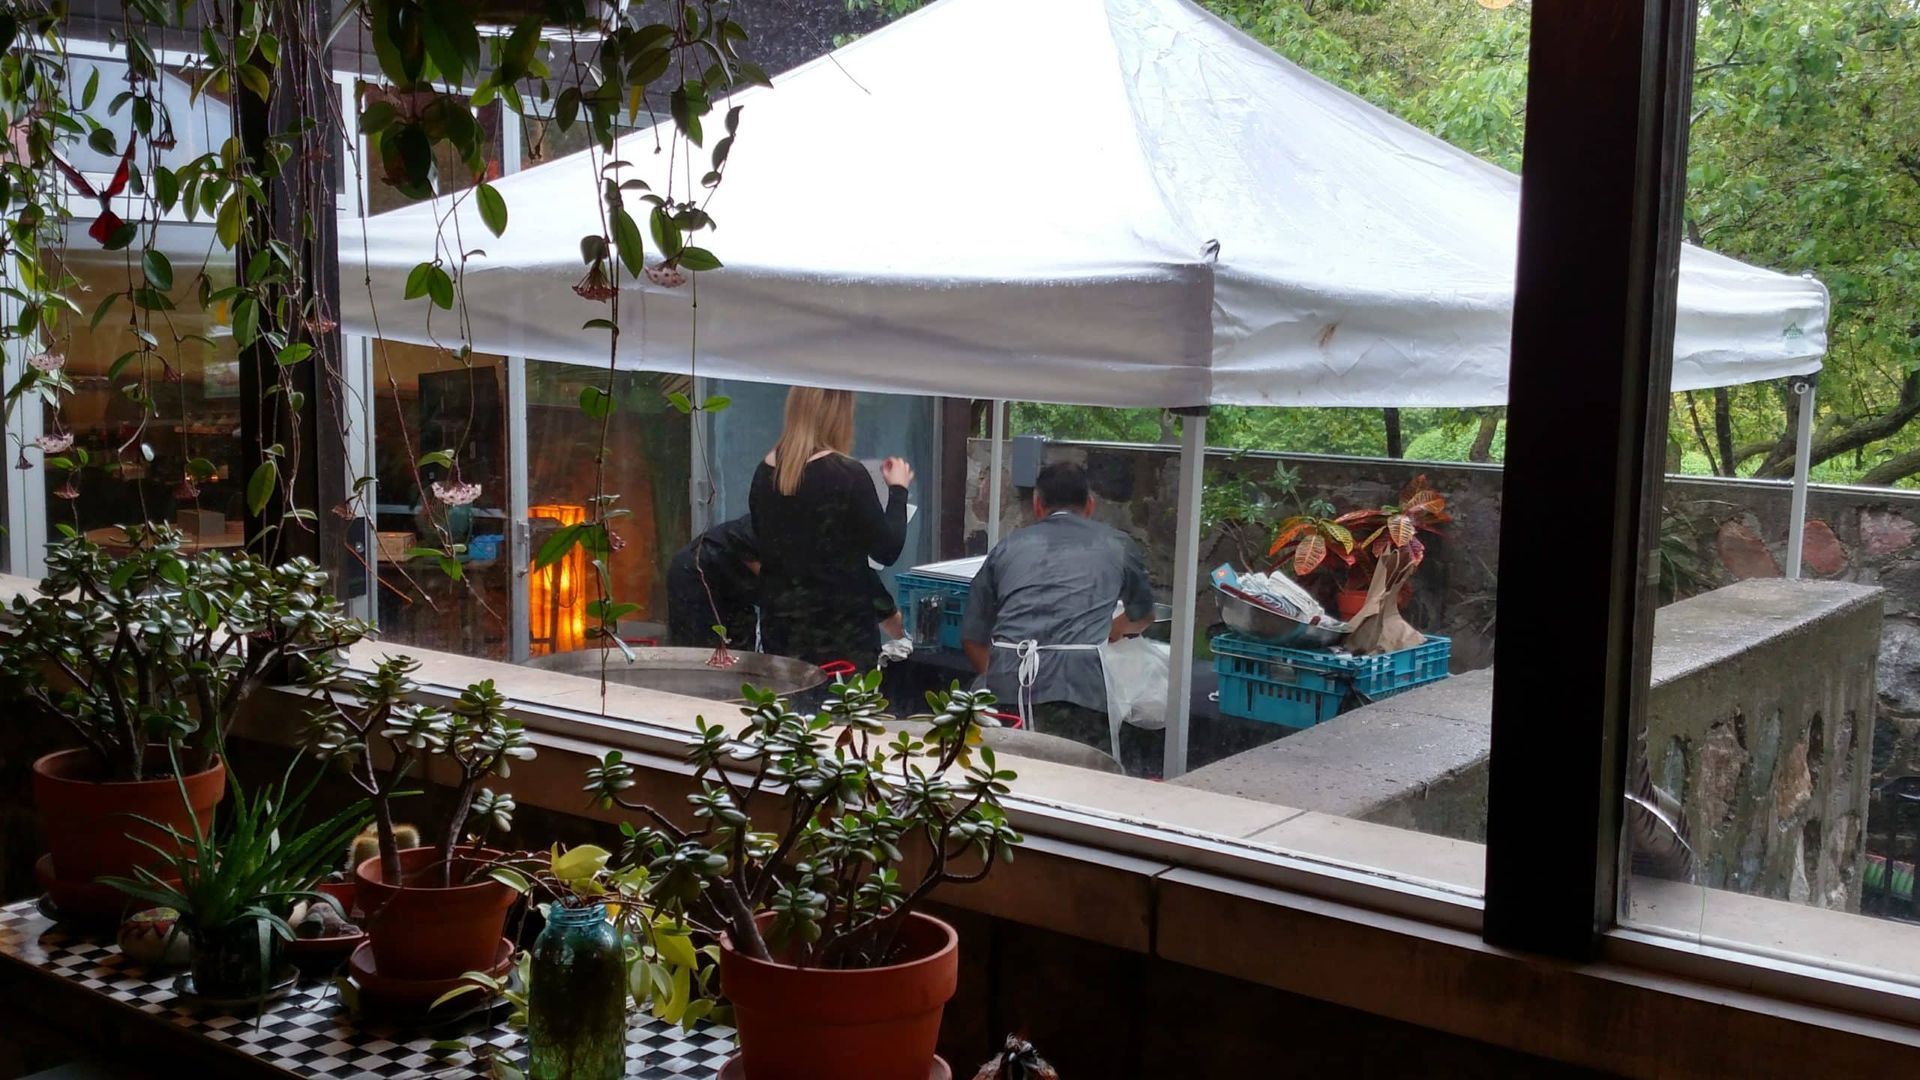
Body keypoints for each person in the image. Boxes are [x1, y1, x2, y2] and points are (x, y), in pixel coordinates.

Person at [961, 462, 1155, 761]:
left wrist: (1004, 672)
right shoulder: (1118, 545)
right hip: (1082, 690)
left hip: (1008, 690)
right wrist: (1116, 629)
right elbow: (1142, 615)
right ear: (1090, 505)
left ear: (1038, 504)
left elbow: (973, 636)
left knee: (1006, 781)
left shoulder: (1006, 548)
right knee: (1079, 782)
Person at [749, 387, 912, 671]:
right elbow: (887, 550)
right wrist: (898, 490)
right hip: (842, 636)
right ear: (839, 415)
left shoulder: (765, 472)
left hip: (783, 628)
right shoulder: (846, 474)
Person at [665, 514, 760, 650]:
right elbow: (738, 538)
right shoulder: (777, 519)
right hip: (697, 572)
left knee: (741, 651)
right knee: (699, 649)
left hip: (735, 587)